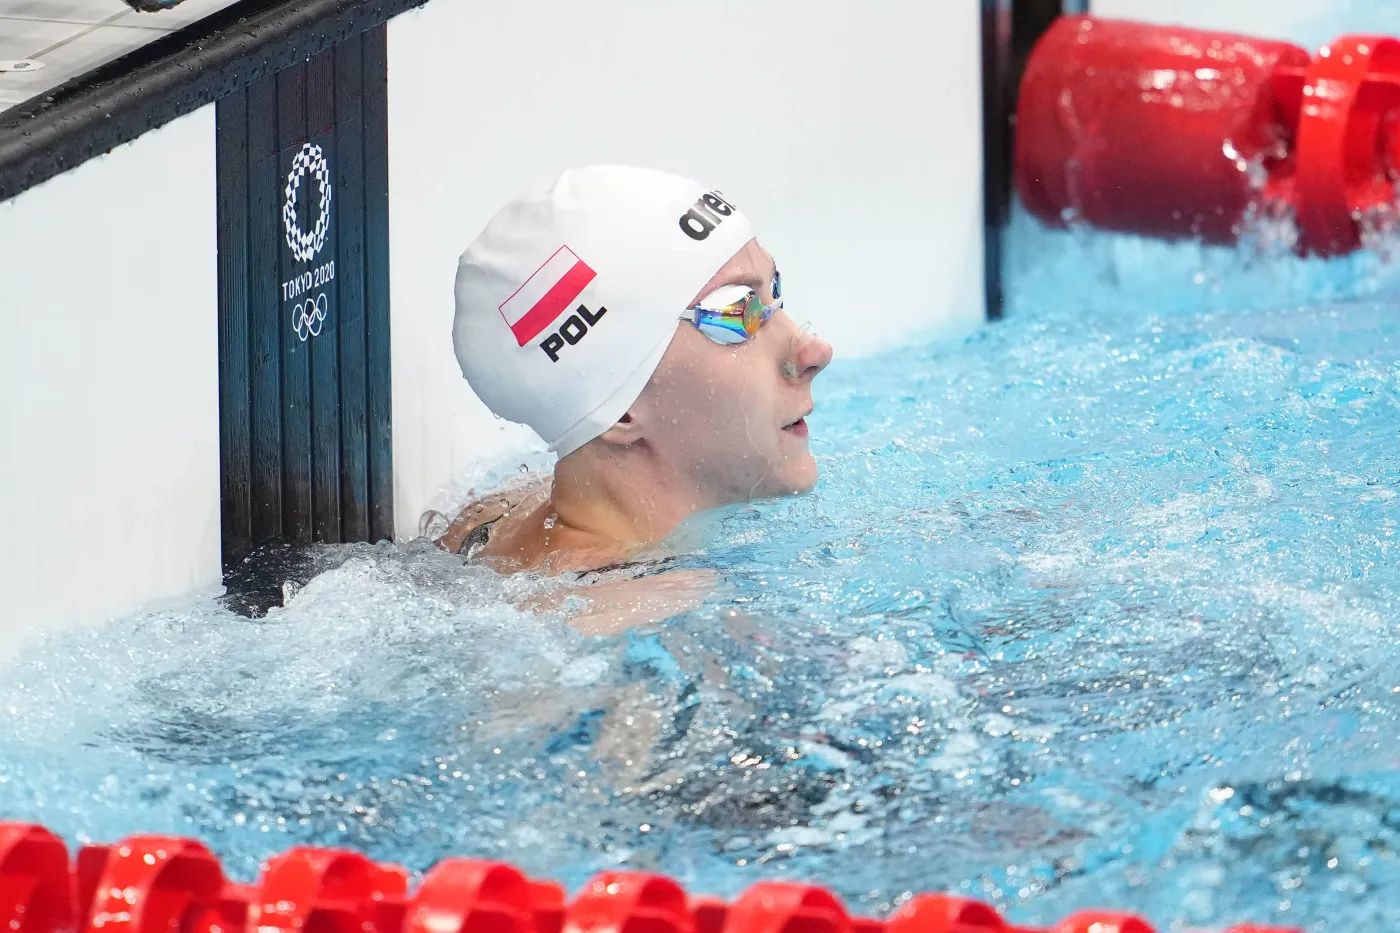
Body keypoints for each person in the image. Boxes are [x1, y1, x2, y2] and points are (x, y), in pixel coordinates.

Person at [432, 165, 832, 586]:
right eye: (737, 313)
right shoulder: (644, 610)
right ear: (619, 409)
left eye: (775, 290)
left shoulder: (492, 520)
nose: (815, 351)